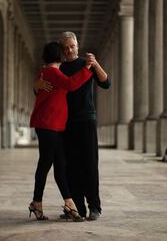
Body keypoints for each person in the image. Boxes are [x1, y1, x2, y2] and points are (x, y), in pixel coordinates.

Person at [35, 32, 110, 221]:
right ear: (62, 49)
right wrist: (36, 85)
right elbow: (41, 91)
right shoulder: (58, 68)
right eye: (65, 47)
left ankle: (94, 207)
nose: (69, 50)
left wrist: (95, 64)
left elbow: (106, 83)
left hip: (86, 119)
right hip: (64, 123)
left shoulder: (86, 64)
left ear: (78, 46)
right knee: (70, 167)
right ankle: (77, 209)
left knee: (89, 164)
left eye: (72, 46)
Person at [28, 41, 93, 222]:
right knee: (46, 164)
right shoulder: (53, 72)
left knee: (60, 165)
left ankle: (68, 203)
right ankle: (37, 202)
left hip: (52, 125)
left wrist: (36, 84)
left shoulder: (46, 72)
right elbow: (71, 84)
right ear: (60, 56)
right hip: (48, 124)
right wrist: (87, 68)